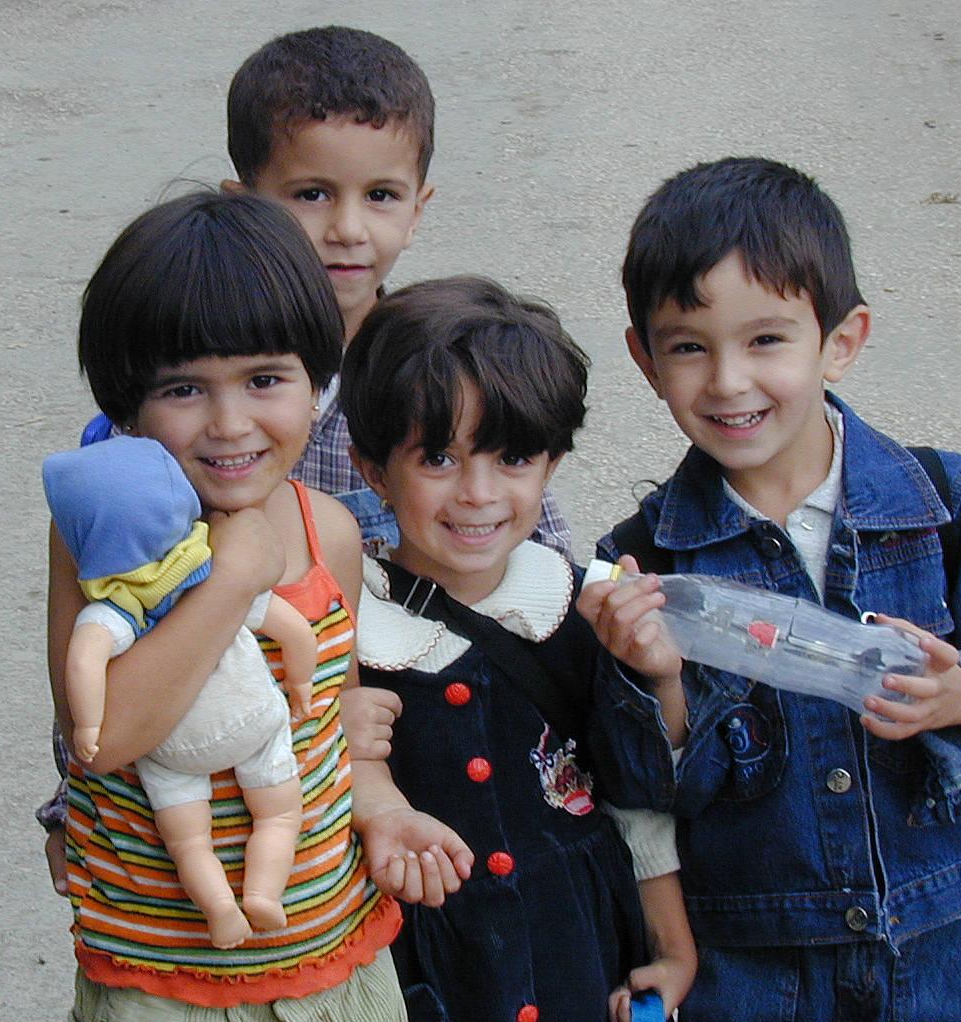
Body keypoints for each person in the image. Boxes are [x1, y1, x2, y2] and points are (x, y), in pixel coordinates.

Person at [42, 22, 569, 888]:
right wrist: (70, 805)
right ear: (245, 197)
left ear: (421, 205)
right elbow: (102, 643)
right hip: (232, 800)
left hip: (437, 768)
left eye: (382, 197)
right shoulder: (151, 448)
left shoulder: (454, 373)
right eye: (312, 194)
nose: (347, 231)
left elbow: (538, 577)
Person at [583, 156, 961, 1022]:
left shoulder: (943, 503)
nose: (729, 381)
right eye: (689, 347)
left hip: (943, 932)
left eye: (766, 340)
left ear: (843, 340)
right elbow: (643, 788)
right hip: (754, 954)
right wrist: (657, 679)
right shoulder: (645, 564)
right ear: (644, 358)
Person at [49, 188, 467, 1018]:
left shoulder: (331, 536)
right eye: (183, 389)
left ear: (318, 384)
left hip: (334, 960)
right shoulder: (100, 544)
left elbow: (334, 729)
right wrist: (234, 579)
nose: (230, 423)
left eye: (265, 379)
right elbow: (102, 736)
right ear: (125, 405)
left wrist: (384, 813)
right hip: (159, 981)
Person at [340, 276, 697, 1022]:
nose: (478, 493)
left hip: (577, 954)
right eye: (437, 459)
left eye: (512, 459)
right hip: (423, 974)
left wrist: (672, 949)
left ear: (552, 464)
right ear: (373, 470)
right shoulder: (344, 634)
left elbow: (637, 801)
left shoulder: (584, 608)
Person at [43, 434, 317, 947]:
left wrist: (89, 726)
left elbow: (84, 659)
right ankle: (263, 892)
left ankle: (219, 908)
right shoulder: (204, 568)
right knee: (279, 814)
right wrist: (299, 683)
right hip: (252, 722)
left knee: (189, 843)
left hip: (170, 750)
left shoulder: (120, 607)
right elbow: (294, 629)